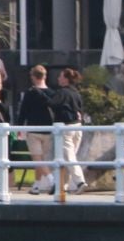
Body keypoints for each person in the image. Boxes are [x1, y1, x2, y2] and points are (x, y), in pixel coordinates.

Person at [36, 66, 87, 194]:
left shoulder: (63, 92)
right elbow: (80, 110)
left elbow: (52, 103)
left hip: (67, 128)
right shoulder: (76, 93)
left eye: (60, 76)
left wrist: (41, 93)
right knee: (68, 157)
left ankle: (80, 181)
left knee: (68, 157)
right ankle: (62, 186)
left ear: (65, 79)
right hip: (78, 127)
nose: (58, 78)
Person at [17, 64, 56, 195]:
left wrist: (19, 127)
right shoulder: (52, 93)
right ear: (45, 76)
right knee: (41, 159)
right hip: (48, 130)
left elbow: (23, 112)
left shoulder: (30, 93)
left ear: (33, 77)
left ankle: (52, 181)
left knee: (38, 159)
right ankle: (36, 186)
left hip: (33, 130)